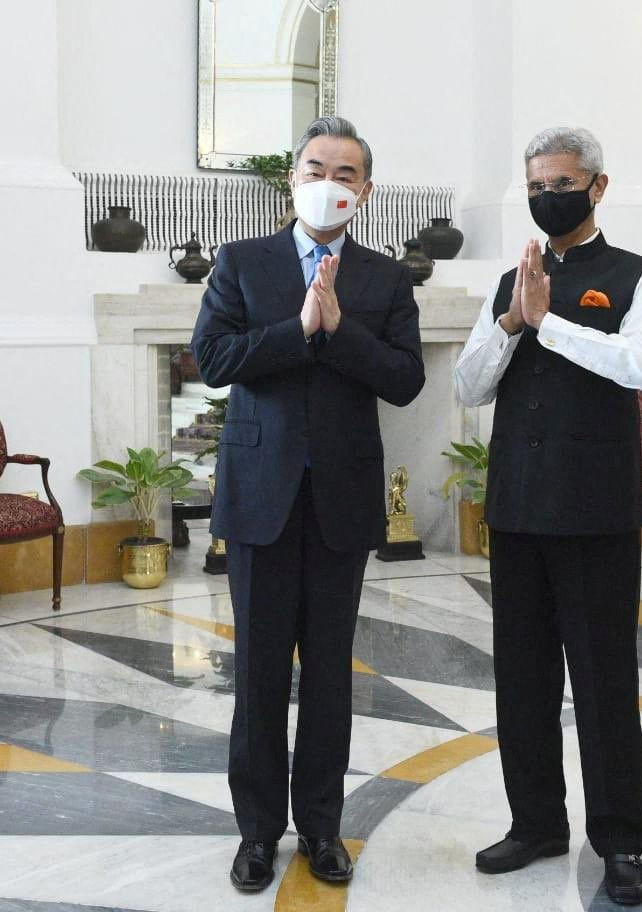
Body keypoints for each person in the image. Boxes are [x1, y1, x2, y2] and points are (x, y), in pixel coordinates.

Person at [192, 116, 425, 893]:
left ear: (365, 191)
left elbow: (403, 379)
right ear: (293, 179)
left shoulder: (387, 279)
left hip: (342, 501)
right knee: (259, 675)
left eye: (347, 172)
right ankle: (257, 834)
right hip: (260, 497)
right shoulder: (243, 261)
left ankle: (321, 829)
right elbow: (217, 359)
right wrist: (296, 330)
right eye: (317, 167)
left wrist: (340, 328)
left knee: (328, 675)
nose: (331, 181)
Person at [454, 127, 642, 906]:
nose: (549, 196)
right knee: (523, 680)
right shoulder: (514, 282)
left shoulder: (640, 277)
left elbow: (639, 366)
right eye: (537, 184)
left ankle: (620, 843)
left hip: (597, 514)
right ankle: (536, 822)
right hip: (517, 509)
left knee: (605, 683)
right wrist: (513, 320)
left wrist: (551, 323)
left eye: (563, 183)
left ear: (598, 187)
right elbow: (470, 388)